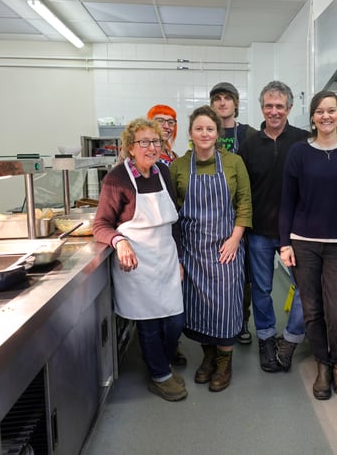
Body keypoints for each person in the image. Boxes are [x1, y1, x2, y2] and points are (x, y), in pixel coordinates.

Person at [279, 90, 337, 400]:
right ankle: (322, 364)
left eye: (331, 110)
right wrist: (284, 244)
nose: (325, 116)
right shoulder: (298, 153)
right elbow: (287, 201)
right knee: (313, 311)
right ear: (313, 117)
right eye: (319, 111)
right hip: (303, 243)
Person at [92, 117, 187, 402]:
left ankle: (162, 363)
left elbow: (174, 222)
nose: (151, 147)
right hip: (137, 261)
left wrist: (180, 258)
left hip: (166, 257)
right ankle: (159, 375)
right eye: (143, 142)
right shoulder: (117, 178)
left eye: (156, 141)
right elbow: (101, 225)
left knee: (174, 321)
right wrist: (119, 242)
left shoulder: (163, 173)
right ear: (130, 148)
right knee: (148, 322)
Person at [169, 105, 252, 392]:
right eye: (199, 128)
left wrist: (235, 239)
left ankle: (224, 362)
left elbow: (244, 203)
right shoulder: (178, 166)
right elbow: (172, 213)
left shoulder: (233, 162)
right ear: (190, 133)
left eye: (210, 129)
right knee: (199, 308)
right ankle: (208, 358)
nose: (204, 133)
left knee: (227, 306)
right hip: (193, 250)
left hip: (226, 247)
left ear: (218, 133)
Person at [238, 80, 309, 373]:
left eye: (280, 106)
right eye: (269, 105)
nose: (274, 111)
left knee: (305, 287)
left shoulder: (305, 141)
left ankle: (290, 340)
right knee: (262, 290)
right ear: (261, 108)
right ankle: (266, 338)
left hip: (297, 233)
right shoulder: (250, 144)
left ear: (289, 108)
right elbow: (241, 189)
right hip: (259, 232)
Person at [210, 81, 257, 345]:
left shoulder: (249, 134)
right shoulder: (205, 132)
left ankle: (242, 321)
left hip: (242, 214)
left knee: (244, 273)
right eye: (217, 98)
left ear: (236, 104)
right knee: (218, 271)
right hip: (214, 216)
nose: (222, 102)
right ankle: (219, 319)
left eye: (228, 98)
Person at [146, 102, 187, 368]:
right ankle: (159, 354)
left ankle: (170, 346)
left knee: (172, 297)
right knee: (154, 300)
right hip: (150, 236)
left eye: (171, 121)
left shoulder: (172, 155)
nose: (167, 125)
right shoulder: (144, 154)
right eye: (160, 120)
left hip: (173, 232)